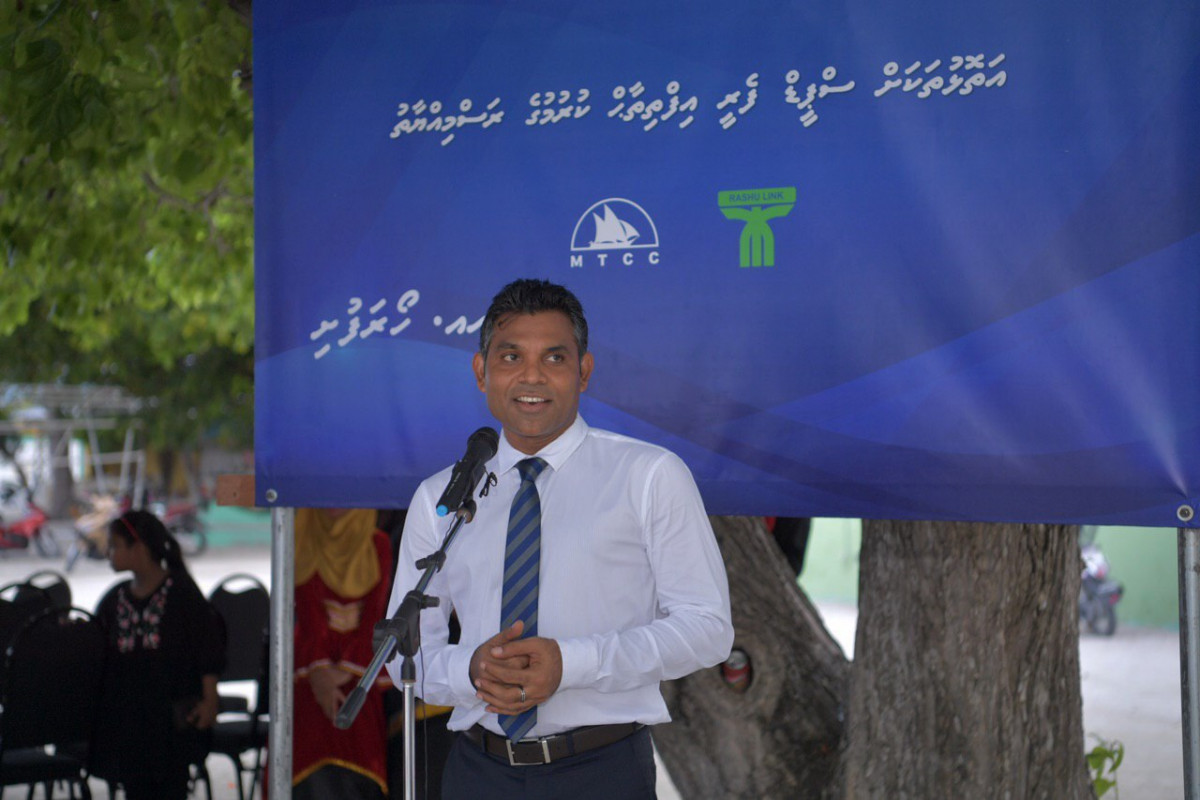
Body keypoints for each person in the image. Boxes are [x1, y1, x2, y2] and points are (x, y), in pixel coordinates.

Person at [386, 278, 734, 799]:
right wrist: (472, 670)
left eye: (553, 358)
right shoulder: (442, 497)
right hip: (477, 772)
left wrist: (572, 663)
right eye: (510, 357)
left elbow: (708, 628)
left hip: (602, 770)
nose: (531, 376)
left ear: (583, 372)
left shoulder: (649, 476)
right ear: (482, 373)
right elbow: (404, 655)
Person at [91, 509, 225, 800]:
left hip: (172, 727)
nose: (109, 553)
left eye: (115, 545)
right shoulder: (114, 602)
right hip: (129, 728)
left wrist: (210, 699)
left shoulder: (181, 595)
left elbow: (208, 648)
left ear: (138, 548)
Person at [292, 507, 393, 799]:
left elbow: (376, 615)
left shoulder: (377, 544)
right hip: (310, 668)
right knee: (308, 754)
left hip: (362, 667)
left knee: (361, 753)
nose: (335, 504)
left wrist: (346, 669)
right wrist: (320, 672)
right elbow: (310, 617)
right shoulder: (303, 533)